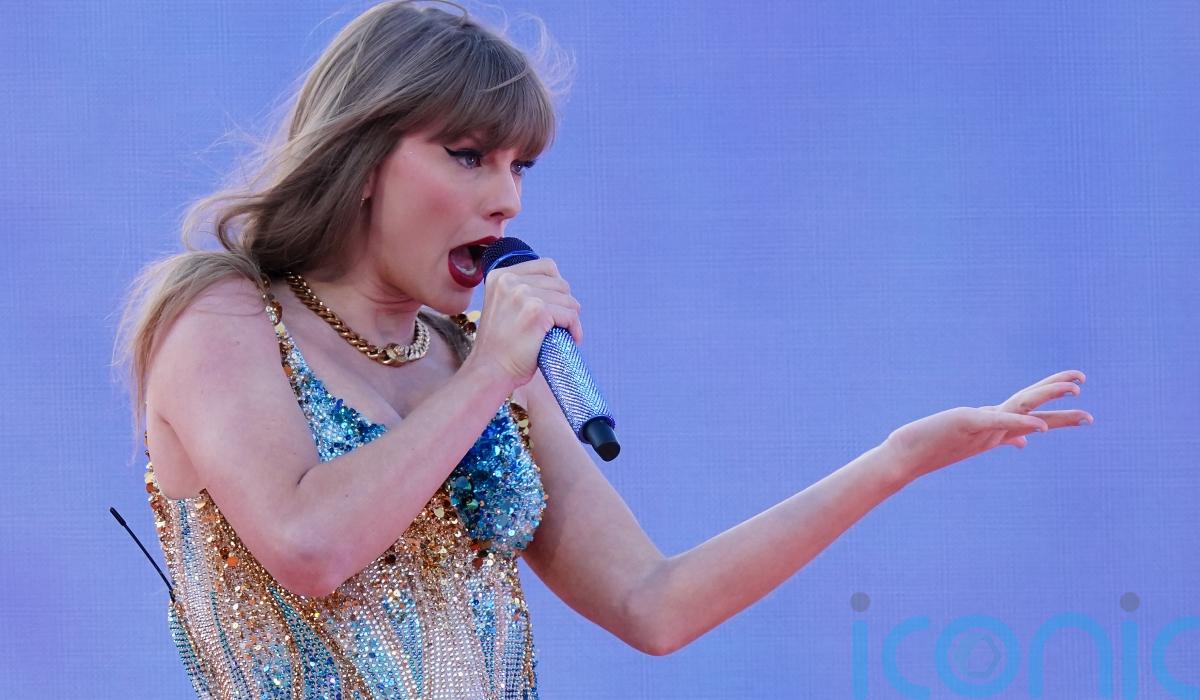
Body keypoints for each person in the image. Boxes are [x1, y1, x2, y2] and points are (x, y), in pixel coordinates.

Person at [116, 2, 1094, 698]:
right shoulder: (223, 317)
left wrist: (893, 462)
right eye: (468, 156)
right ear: (363, 158)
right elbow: (309, 547)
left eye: (520, 166)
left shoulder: (478, 363)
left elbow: (652, 604)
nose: (506, 200)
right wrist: (491, 373)